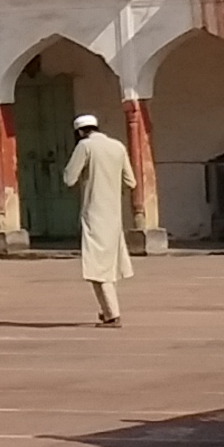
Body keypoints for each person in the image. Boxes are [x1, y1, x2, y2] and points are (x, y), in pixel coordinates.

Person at [62, 111, 133, 325]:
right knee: (109, 264)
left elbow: (69, 178)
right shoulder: (118, 146)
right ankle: (107, 309)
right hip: (114, 214)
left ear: (80, 131)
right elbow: (131, 181)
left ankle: (112, 313)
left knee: (96, 267)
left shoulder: (85, 146)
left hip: (94, 213)